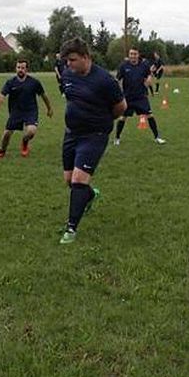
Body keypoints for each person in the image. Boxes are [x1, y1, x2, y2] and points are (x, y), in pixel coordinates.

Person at [58, 38, 126, 244]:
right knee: (70, 180)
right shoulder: (69, 74)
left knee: (79, 180)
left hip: (94, 135)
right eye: (66, 60)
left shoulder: (105, 80)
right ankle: (89, 195)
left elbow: (121, 107)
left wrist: (102, 121)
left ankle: (71, 229)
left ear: (86, 57)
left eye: (72, 59)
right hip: (71, 134)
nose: (68, 64)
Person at [0, 59, 54, 159]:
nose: (20, 70)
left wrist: (49, 108)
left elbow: (44, 96)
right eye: (18, 67)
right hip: (16, 111)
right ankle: (2, 151)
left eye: (23, 68)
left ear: (27, 69)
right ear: (15, 69)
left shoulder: (34, 82)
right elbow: (2, 94)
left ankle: (25, 142)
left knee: (31, 131)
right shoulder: (10, 82)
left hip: (30, 111)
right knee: (7, 133)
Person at [114, 47, 167, 146]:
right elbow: (117, 80)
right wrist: (117, 92)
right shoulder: (123, 66)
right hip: (128, 97)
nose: (133, 56)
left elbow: (149, 74)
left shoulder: (144, 65)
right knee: (122, 118)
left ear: (138, 55)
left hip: (141, 97)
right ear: (129, 55)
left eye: (135, 54)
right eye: (131, 54)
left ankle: (157, 137)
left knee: (150, 116)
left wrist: (149, 80)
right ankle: (117, 138)